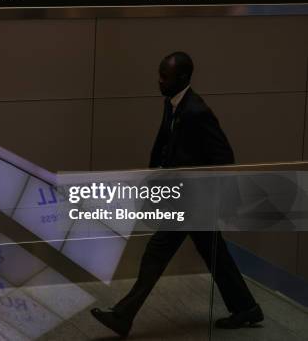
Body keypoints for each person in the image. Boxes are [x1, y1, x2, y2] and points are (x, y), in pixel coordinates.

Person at [91, 52, 263, 338]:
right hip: (186, 200)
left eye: (164, 76)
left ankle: (123, 316)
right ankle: (246, 307)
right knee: (216, 256)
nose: (159, 81)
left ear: (182, 78)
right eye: (159, 74)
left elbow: (224, 157)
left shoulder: (197, 111)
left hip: (192, 203)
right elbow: (167, 147)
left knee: (155, 254)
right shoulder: (173, 103)